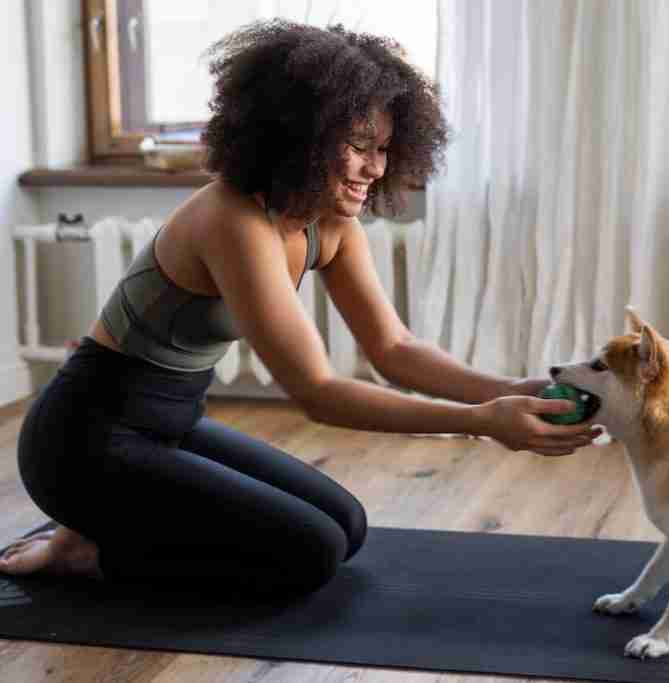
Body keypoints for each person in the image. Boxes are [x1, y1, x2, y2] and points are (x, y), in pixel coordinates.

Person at [0, 20, 598, 597]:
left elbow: (395, 349)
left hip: (171, 426)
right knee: (307, 551)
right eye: (359, 146)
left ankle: (114, 522)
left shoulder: (331, 225)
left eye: (385, 148)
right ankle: (88, 550)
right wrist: (483, 422)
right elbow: (315, 390)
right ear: (300, 137)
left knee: (347, 526)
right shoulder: (232, 220)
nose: (376, 168)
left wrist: (501, 390)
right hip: (82, 443)